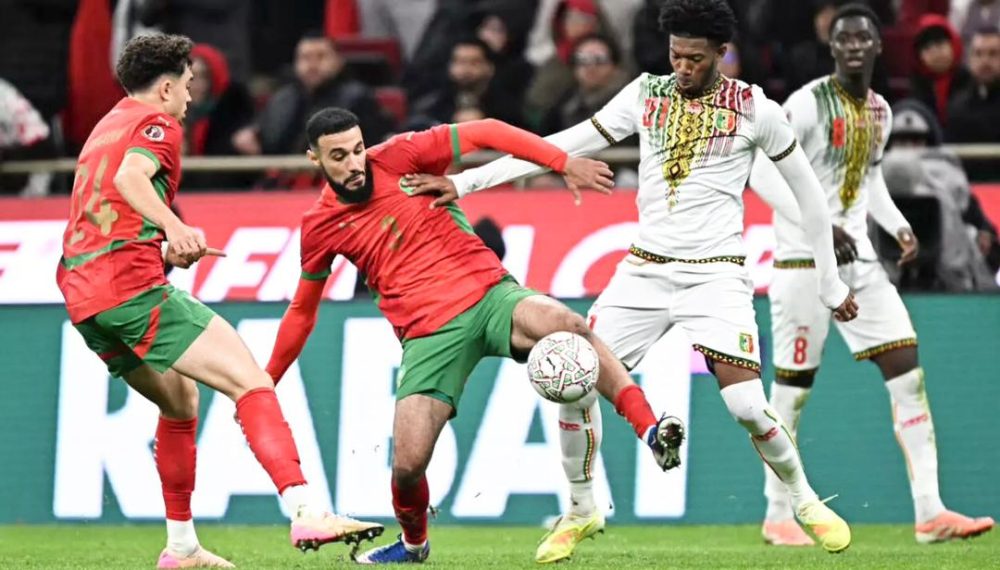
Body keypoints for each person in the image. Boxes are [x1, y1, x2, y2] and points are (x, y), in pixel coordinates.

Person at [405, 0, 858, 560]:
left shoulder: (755, 109)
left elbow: (809, 198)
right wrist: (468, 183)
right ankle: (581, 509)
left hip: (716, 275)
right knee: (572, 374)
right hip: (643, 270)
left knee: (746, 404)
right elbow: (563, 143)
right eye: (676, 55)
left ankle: (804, 499)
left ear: (722, 53)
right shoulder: (646, 94)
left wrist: (830, 284)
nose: (683, 67)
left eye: (695, 58)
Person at [264, 108, 685, 564]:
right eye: (339, 156)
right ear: (314, 158)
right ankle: (413, 545)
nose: (354, 164)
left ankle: (650, 430)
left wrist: (562, 163)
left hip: (490, 297)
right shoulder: (320, 226)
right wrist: (266, 382)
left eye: (358, 150)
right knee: (407, 467)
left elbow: (487, 131)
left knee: (570, 326)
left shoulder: (402, 156)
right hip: (429, 337)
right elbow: (302, 311)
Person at [55, 34, 383, 569]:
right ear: (166, 87)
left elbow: (104, 211)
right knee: (250, 381)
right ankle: (306, 510)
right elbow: (130, 178)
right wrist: (174, 225)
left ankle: (182, 547)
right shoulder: (157, 125)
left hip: (85, 295)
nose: (190, 96)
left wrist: (161, 246)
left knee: (180, 403)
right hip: (130, 288)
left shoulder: (105, 126)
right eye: (187, 84)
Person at [748, 4, 996, 546]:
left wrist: (898, 225)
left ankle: (930, 512)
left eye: (864, 38)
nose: (854, 46)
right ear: (832, 47)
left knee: (908, 372)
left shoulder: (880, 110)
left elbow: (870, 177)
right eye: (844, 39)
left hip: (860, 264)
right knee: (792, 392)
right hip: (803, 265)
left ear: (879, 46)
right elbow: (760, 172)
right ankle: (777, 514)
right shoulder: (807, 104)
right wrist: (818, 224)